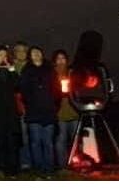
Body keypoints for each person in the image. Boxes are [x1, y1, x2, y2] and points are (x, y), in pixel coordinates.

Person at [19, 46, 58, 174]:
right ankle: (38, 169)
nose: (36, 54)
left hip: (49, 110)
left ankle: (49, 169)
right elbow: (23, 90)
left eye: (38, 52)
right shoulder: (26, 70)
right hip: (33, 111)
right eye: (33, 53)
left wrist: (54, 104)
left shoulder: (50, 69)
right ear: (30, 56)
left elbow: (57, 89)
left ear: (42, 54)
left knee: (48, 142)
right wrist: (30, 102)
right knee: (35, 142)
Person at [0, 45, 21, 178]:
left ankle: (12, 169)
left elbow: (18, 85)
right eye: (0, 55)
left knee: (11, 141)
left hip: (11, 112)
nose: (3, 57)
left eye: (5, 55)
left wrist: (11, 69)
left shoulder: (11, 71)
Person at [52, 49, 79, 168]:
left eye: (63, 58)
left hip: (74, 111)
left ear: (67, 60)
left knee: (75, 140)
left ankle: (76, 163)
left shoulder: (72, 73)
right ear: (55, 61)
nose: (61, 61)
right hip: (60, 113)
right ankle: (62, 165)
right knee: (61, 140)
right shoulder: (51, 74)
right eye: (58, 58)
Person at [12, 40, 31, 171]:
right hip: (13, 107)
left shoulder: (31, 66)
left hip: (30, 106)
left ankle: (30, 162)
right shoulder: (9, 66)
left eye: (23, 51)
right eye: (18, 50)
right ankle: (22, 162)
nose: (21, 53)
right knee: (19, 136)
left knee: (31, 136)